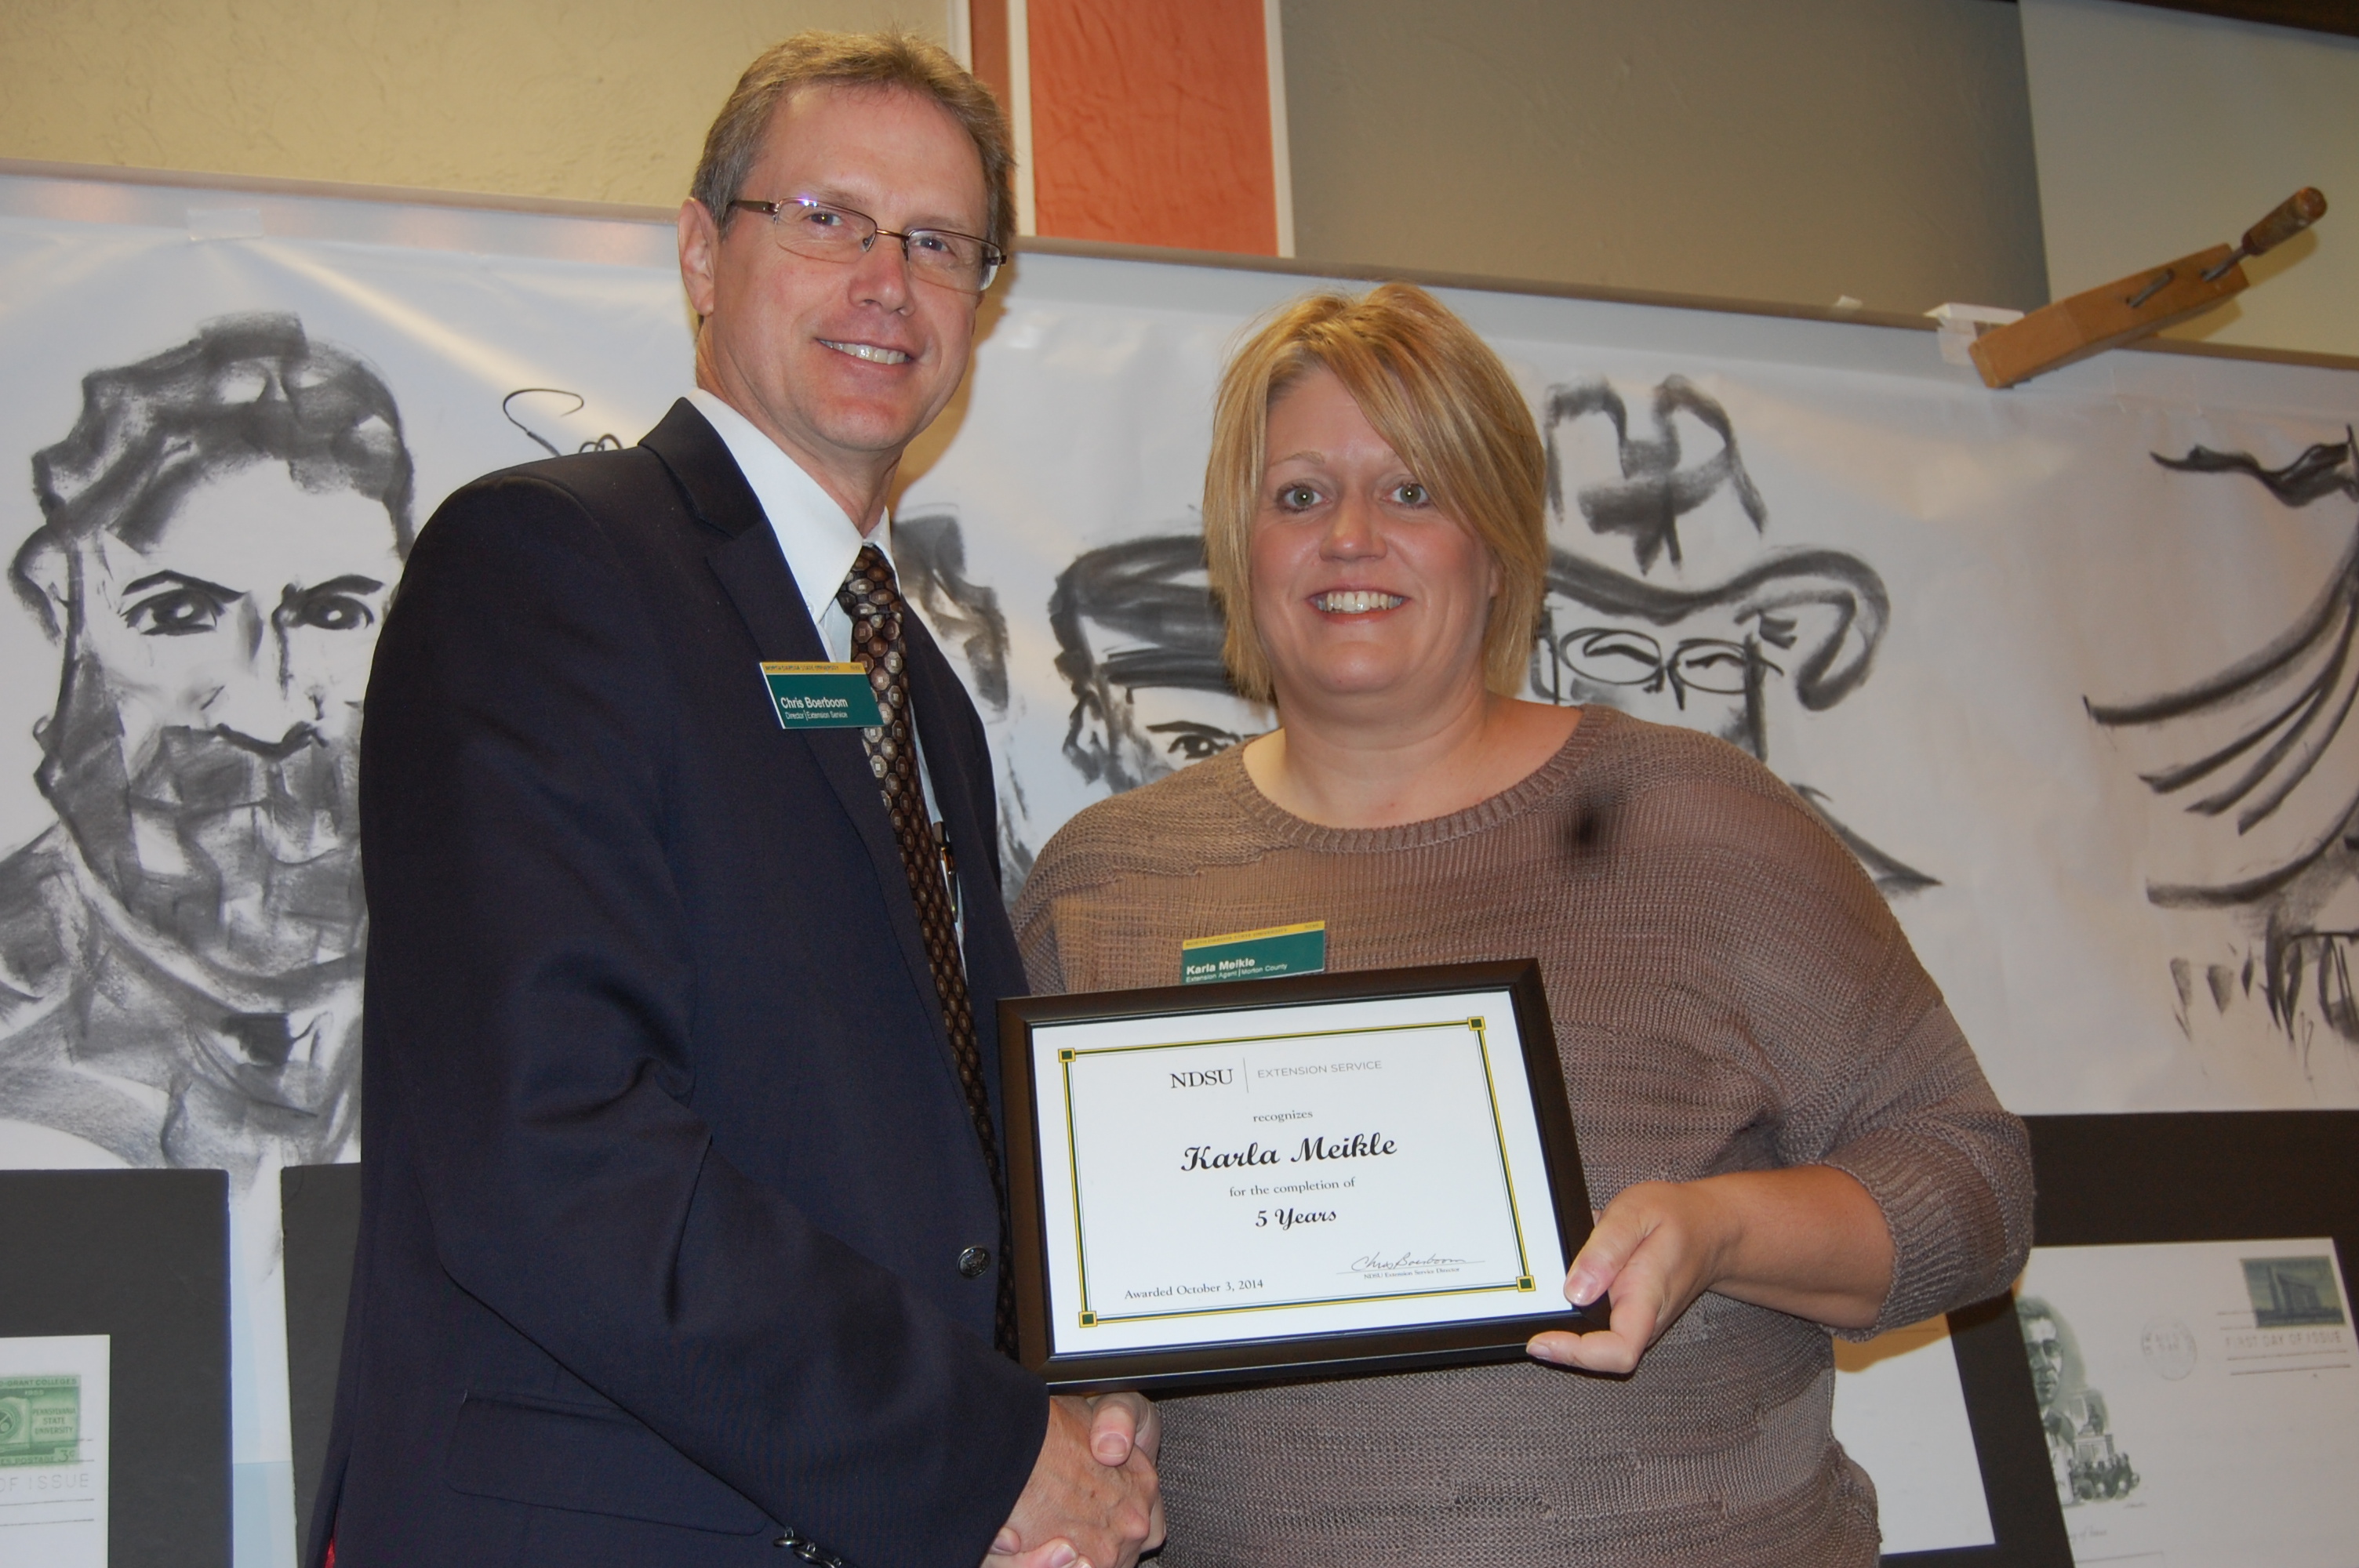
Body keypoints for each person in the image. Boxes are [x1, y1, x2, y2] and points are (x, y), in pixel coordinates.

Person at [1012, 283, 2032, 1563]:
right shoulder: (1103, 886)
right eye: (1299, 496)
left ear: (1494, 547)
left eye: (1411, 491)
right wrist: (1089, 1418)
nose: (1349, 538)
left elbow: (1975, 1187)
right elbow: (1032, 1298)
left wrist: (1718, 1232)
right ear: (1240, 547)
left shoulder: (1700, 825)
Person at [314, 31, 1158, 1568]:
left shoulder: (922, 691)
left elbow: (941, 1174)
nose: (886, 282)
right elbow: (555, 1148)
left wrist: (1067, 1408)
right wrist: (977, 1454)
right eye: (828, 219)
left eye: (939, 244)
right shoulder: (547, 566)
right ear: (704, 253)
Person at [0, 312, 409, 1185]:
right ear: (68, 620)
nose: (267, 708)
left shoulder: (492, 980)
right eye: (177, 613)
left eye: (335, 614)